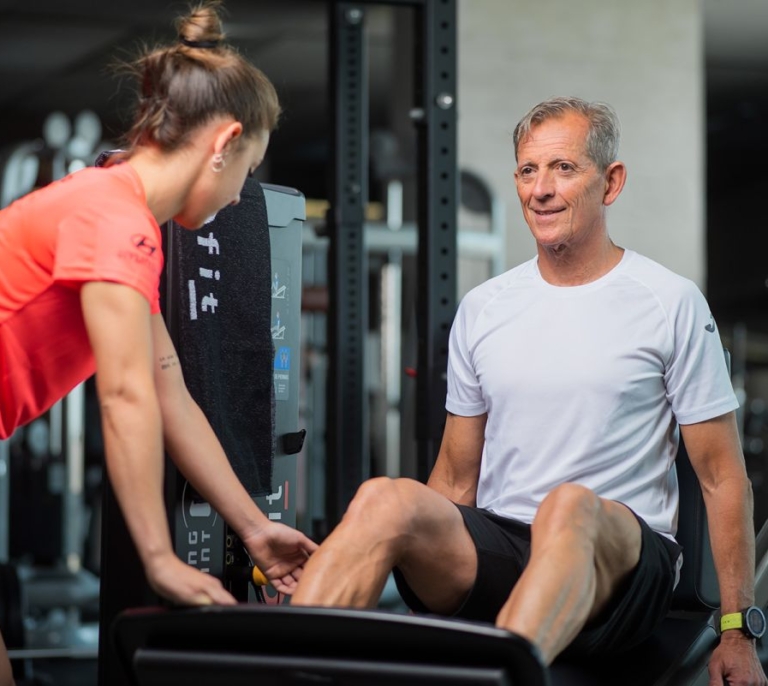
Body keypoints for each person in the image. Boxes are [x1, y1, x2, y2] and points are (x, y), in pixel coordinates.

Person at [292, 96, 768, 685]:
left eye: (563, 168)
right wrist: (362, 548)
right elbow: (456, 478)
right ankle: (283, 667)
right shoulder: (484, 308)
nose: (540, 188)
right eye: (527, 170)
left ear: (610, 182)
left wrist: (737, 629)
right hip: (505, 549)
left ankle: (496, 678)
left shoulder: (668, 300)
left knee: (567, 506)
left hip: (620, 562)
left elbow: (723, 476)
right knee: (383, 497)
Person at [0, 2, 316, 684]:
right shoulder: (117, 222)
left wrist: (255, 529)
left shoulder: (116, 215)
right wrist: (159, 558)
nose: (239, 199)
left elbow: (168, 393)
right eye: (248, 171)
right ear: (225, 142)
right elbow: (124, 398)